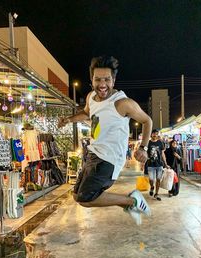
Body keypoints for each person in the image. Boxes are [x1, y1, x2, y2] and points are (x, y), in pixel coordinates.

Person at [58, 55, 152, 225]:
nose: (102, 84)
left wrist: (143, 147)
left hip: (109, 158)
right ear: (91, 80)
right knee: (77, 196)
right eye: (98, 79)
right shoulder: (90, 97)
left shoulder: (122, 103)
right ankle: (130, 203)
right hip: (93, 154)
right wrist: (68, 119)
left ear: (113, 80)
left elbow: (147, 121)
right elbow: (87, 113)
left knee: (87, 198)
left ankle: (133, 201)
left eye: (107, 79)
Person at [147, 129, 169, 201]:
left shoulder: (160, 142)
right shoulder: (148, 142)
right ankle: (152, 186)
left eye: (156, 134)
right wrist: (142, 163)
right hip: (150, 164)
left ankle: (156, 193)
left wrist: (165, 163)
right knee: (151, 179)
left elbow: (162, 153)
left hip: (159, 164)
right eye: (153, 134)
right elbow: (145, 153)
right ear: (151, 134)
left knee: (158, 179)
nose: (155, 135)